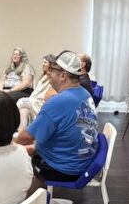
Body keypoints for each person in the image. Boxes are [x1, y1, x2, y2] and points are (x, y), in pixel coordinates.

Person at [15, 50, 98, 182]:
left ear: (63, 75)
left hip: (63, 169)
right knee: (30, 146)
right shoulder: (84, 93)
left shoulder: (58, 101)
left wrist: (7, 146)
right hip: (83, 161)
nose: (48, 73)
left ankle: (32, 191)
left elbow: (27, 136)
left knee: (13, 156)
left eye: (52, 70)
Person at [16, 54, 57, 132]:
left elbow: (48, 95)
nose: (43, 64)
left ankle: (10, 124)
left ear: (51, 64)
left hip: (40, 103)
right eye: (43, 62)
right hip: (33, 101)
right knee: (23, 111)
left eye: (45, 62)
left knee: (21, 101)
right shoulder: (43, 76)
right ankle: (21, 133)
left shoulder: (53, 77)